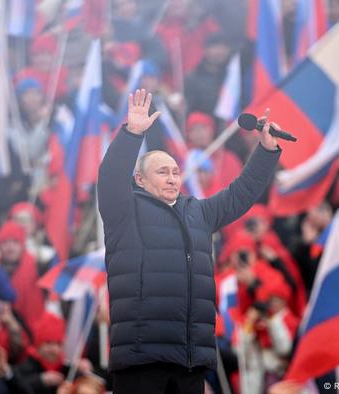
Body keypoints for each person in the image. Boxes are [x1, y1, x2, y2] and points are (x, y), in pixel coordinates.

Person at [97, 89, 282, 394]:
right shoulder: (123, 210)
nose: (172, 178)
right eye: (162, 172)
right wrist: (132, 134)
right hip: (142, 359)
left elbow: (241, 194)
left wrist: (265, 151)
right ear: (140, 180)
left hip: (191, 360)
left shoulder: (198, 212)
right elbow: (111, 176)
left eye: (175, 172)